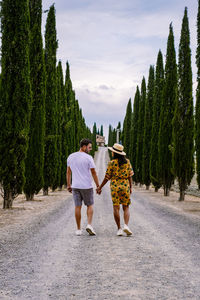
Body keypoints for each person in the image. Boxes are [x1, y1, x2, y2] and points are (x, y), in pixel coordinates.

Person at [97, 143, 134, 236]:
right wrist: (131, 187)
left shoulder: (111, 163)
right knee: (126, 207)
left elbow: (107, 177)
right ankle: (126, 225)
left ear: (114, 153)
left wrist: (100, 187)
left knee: (116, 207)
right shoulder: (127, 162)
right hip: (125, 185)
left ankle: (119, 229)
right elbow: (130, 176)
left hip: (115, 186)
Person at [67, 138, 100, 236]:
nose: (90, 149)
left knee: (77, 206)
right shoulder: (88, 158)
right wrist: (98, 185)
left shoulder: (71, 156)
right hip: (87, 186)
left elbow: (68, 172)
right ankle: (89, 225)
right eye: (89, 147)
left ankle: (78, 229)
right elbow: (93, 172)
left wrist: (69, 185)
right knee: (90, 205)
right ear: (84, 146)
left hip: (75, 186)